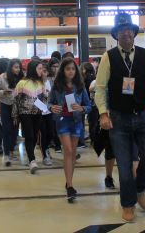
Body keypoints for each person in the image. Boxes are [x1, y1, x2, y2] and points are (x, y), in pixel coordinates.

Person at [95, 13, 145, 223]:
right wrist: (103, 113)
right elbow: (100, 88)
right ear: (116, 34)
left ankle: (139, 188)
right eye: (121, 30)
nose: (125, 33)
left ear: (134, 33)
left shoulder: (144, 55)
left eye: (129, 30)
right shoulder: (108, 57)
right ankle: (128, 204)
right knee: (125, 166)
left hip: (143, 114)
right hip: (119, 118)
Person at [49, 57, 91, 202]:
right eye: (68, 69)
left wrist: (82, 108)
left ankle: (69, 181)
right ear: (63, 70)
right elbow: (49, 103)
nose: (71, 71)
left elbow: (89, 106)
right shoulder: (56, 86)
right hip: (62, 121)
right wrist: (52, 107)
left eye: (73, 69)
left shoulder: (80, 86)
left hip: (76, 122)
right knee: (67, 150)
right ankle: (70, 186)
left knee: (72, 152)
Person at [13, 60, 47, 174]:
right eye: (39, 68)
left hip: (38, 113)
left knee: (35, 135)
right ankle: (32, 160)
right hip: (25, 113)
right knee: (29, 136)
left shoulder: (41, 83)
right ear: (33, 69)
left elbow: (45, 99)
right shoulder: (22, 83)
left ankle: (30, 156)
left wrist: (45, 108)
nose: (41, 71)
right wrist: (15, 115)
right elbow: (15, 100)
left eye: (42, 69)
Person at [0, 59, 23, 164]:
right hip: (5, 106)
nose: (18, 69)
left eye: (19, 67)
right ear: (10, 67)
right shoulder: (2, 77)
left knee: (15, 130)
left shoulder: (22, 78)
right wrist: (4, 92)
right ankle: (6, 154)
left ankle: (11, 151)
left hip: (17, 107)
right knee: (6, 130)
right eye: (16, 67)